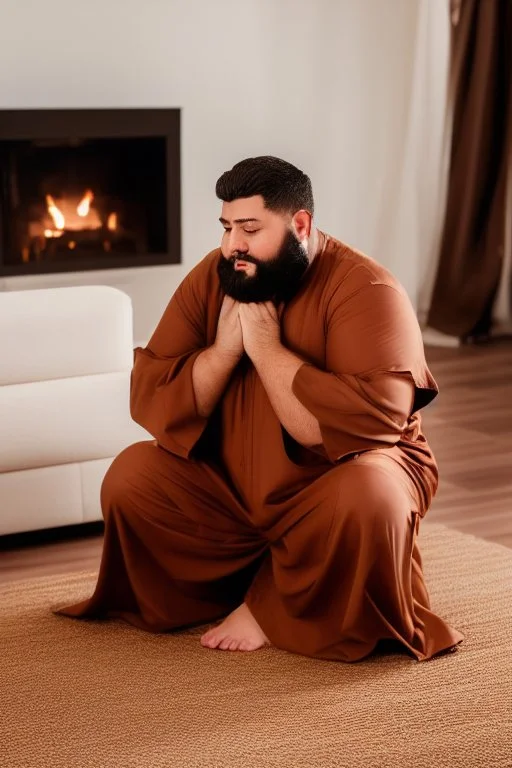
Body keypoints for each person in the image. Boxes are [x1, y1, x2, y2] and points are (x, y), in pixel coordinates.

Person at [53, 156, 465, 662]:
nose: (233, 246)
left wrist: (267, 349)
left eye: (250, 228)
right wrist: (224, 352)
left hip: (334, 480)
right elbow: (153, 391)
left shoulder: (367, 291)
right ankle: (243, 586)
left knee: (372, 495)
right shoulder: (220, 274)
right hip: (234, 481)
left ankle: (276, 606)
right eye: (227, 227)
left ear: (300, 225)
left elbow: (339, 431)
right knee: (132, 476)